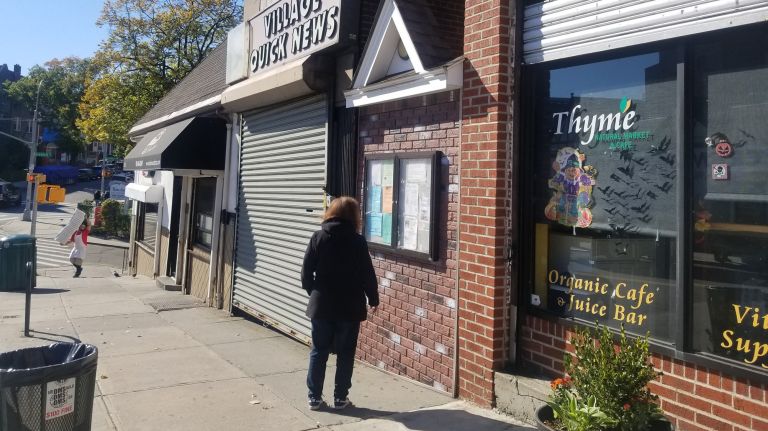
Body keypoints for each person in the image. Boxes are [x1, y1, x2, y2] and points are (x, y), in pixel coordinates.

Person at [301, 196, 379, 411]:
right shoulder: (358, 241)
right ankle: (340, 398)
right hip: (349, 306)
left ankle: (314, 398)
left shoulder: (318, 237)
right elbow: (367, 273)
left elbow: (306, 272)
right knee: (346, 354)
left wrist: (314, 292)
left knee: (319, 351)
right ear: (354, 216)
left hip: (321, 305)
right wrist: (373, 298)